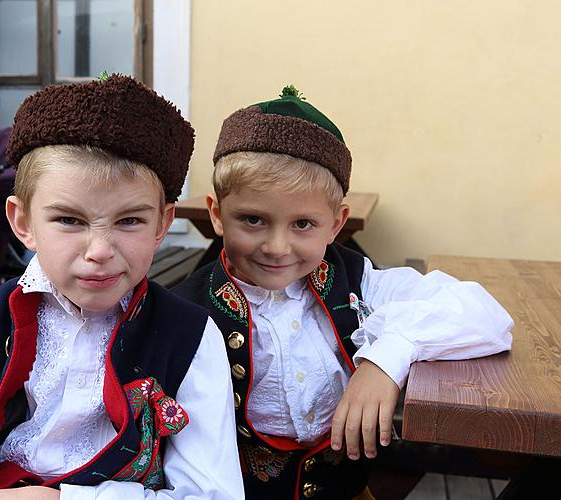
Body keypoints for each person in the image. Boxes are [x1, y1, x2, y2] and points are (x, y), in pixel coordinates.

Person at [0, 75, 243, 499]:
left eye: (130, 220)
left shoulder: (190, 338)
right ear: (23, 222)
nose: (99, 251)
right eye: (69, 220)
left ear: (162, 223)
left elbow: (212, 493)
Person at [173, 85, 514, 499]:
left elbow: (485, 315)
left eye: (303, 225)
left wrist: (385, 359)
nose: (277, 247)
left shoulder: (357, 283)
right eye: (253, 220)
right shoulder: (184, 312)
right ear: (216, 215)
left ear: (336, 224)